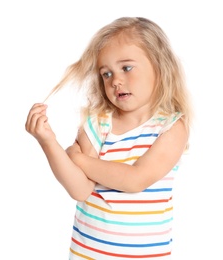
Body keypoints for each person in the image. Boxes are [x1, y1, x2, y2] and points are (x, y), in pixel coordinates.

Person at [25, 17, 193, 259]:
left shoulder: (171, 127)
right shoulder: (97, 123)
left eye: (126, 68)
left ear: (159, 65)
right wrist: (48, 142)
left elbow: (136, 180)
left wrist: (77, 158)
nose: (115, 81)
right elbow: (80, 189)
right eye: (106, 74)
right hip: (88, 253)